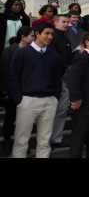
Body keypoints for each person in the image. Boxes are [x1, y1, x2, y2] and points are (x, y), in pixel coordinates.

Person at [9, 23, 63, 158]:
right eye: (47, 33)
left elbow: (58, 79)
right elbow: (13, 76)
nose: (50, 37)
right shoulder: (22, 52)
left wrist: (55, 98)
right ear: (37, 34)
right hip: (27, 101)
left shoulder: (54, 56)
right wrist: (19, 99)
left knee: (44, 141)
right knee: (21, 140)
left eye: (52, 34)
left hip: (49, 101)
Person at [0, 26, 34, 156]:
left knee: (26, 121)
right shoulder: (9, 51)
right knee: (10, 118)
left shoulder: (32, 50)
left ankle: (23, 146)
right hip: (12, 93)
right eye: (31, 36)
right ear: (23, 37)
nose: (33, 38)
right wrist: (7, 91)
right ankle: (7, 143)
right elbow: (4, 72)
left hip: (28, 92)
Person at [50, 14, 74, 149]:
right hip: (55, 78)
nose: (66, 24)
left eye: (67, 22)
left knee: (62, 110)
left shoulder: (66, 37)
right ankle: (47, 139)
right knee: (53, 110)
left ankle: (56, 138)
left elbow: (68, 57)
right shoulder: (52, 37)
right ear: (55, 22)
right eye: (63, 22)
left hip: (65, 78)